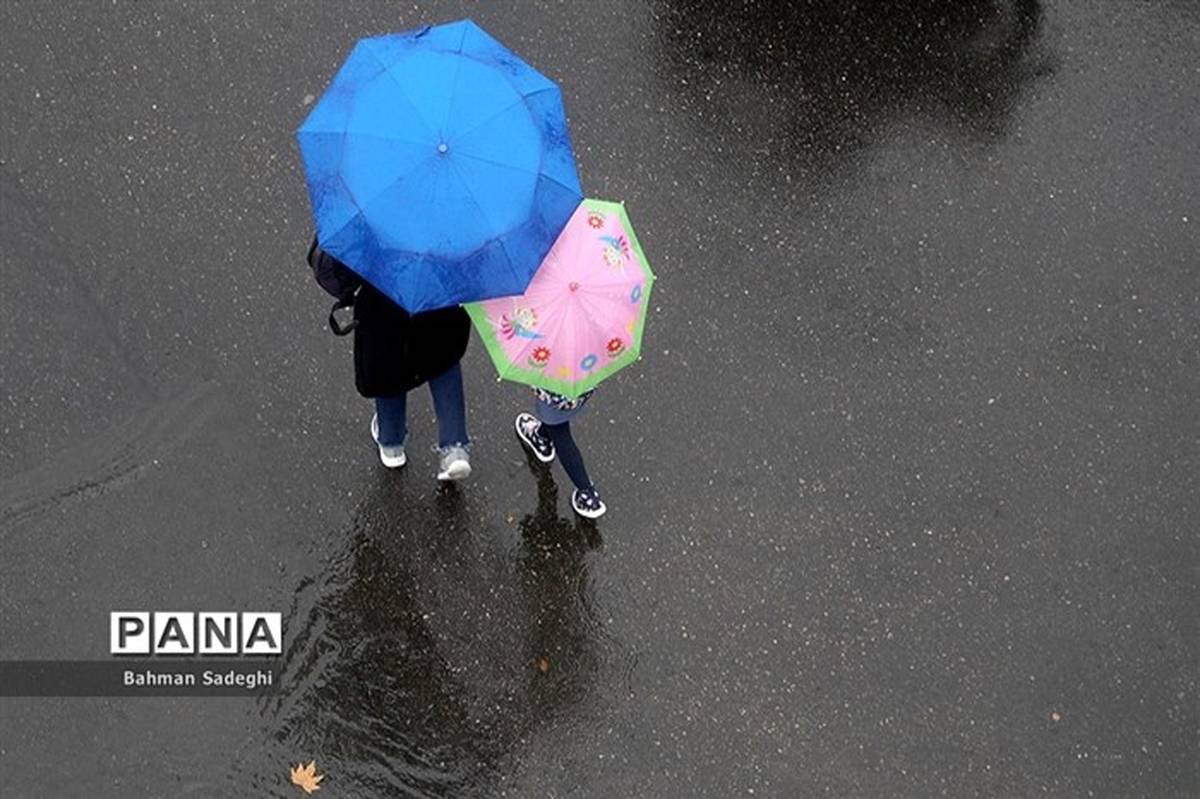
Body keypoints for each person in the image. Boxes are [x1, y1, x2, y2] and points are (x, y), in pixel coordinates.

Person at [308, 237, 471, 480]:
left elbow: (344, 267)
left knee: (387, 369)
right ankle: (454, 446)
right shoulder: (454, 216)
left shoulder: (372, 217)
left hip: (383, 300)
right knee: (444, 360)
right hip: (439, 293)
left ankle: (391, 442)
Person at [513, 387, 605, 518]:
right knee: (555, 420)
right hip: (579, 389)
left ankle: (587, 494)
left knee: (559, 432)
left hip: (554, 393)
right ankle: (542, 436)